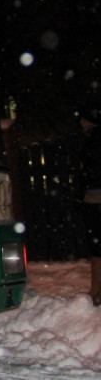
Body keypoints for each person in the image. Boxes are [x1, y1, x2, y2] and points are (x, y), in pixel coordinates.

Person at [79, 108, 101, 305]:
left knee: (96, 247)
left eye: (84, 120)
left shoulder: (92, 142)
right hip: (93, 197)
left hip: (95, 198)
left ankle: (96, 290)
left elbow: (89, 173)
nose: (82, 124)